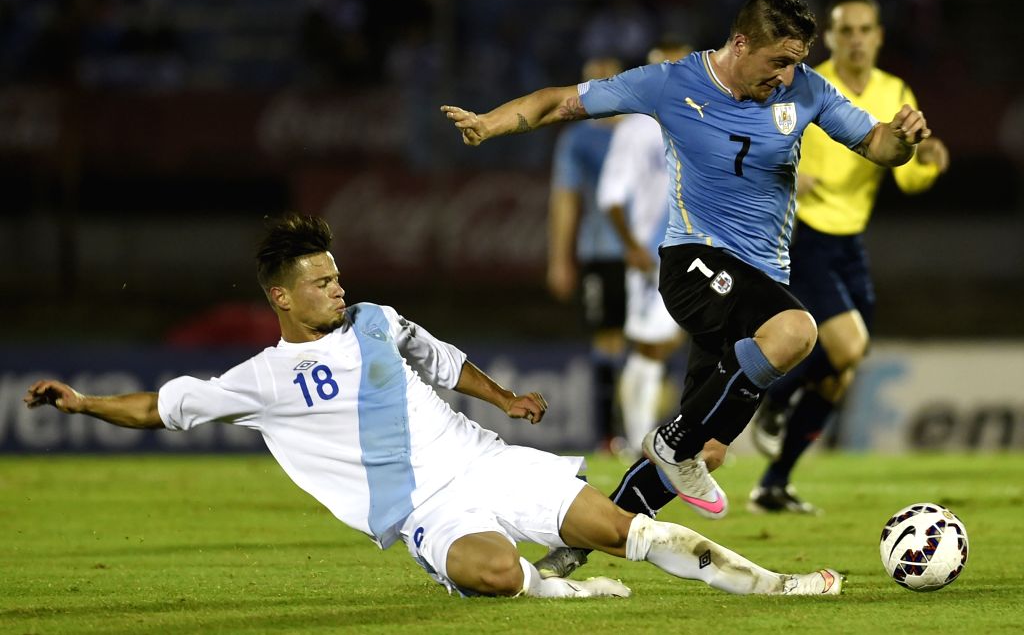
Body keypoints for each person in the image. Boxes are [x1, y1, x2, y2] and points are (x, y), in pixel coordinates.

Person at [23, 214, 843, 598]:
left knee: (628, 530)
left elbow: (440, 359)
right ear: (280, 297)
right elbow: (161, 407)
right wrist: (85, 401)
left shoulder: (375, 319)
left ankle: (777, 587)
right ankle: (551, 589)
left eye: (337, 274)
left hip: (487, 462)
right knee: (491, 575)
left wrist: (505, 397)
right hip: (422, 509)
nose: (338, 287)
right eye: (320, 282)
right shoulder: (261, 379)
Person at [441, 0, 932, 526]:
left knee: (708, 449)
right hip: (695, 261)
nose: (786, 76)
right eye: (778, 61)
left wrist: (905, 139)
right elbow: (561, 101)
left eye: (796, 63)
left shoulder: (807, 91)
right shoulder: (671, 83)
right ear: (741, 44)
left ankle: (582, 541)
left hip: (759, 279)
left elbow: (878, 145)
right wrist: (489, 123)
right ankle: (672, 441)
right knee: (797, 330)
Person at [748, 0, 950, 514]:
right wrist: (788, 177)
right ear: (829, 38)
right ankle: (771, 395)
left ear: (879, 37)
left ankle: (773, 483)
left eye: (865, 29)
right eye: (845, 30)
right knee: (851, 345)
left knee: (841, 372)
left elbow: (906, 178)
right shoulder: (807, 85)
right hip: (804, 236)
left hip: (850, 242)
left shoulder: (893, 90)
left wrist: (926, 158)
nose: (856, 39)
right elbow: (755, 145)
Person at [595, 38, 692, 456]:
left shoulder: (700, 119)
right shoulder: (635, 127)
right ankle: (640, 440)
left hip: (694, 246)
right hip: (654, 251)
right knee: (653, 345)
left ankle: (645, 436)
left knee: (668, 342)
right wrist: (632, 246)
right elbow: (610, 195)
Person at [547, 56, 628, 453]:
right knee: (608, 338)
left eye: (603, 81)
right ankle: (610, 435)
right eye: (587, 82)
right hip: (601, 252)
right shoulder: (578, 139)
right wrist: (560, 259)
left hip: (655, 252)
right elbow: (565, 200)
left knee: (654, 340)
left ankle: (659, 431)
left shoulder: (643, 129)